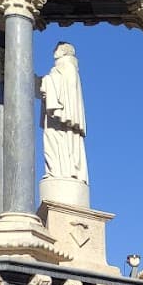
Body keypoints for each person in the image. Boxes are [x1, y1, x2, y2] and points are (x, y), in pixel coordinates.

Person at [37, 42, 88, 182]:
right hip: (54, 113)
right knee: (51, 138)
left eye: (58, 48)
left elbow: (67, 91)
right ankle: (55, 170)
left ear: (65, 51)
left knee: (61, 140)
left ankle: (65, 171)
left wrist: (45, 81)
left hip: (61, 113)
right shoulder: (61, 68)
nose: (54, 51)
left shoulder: (67, 66)